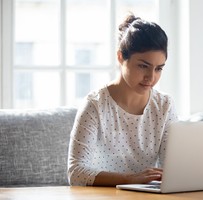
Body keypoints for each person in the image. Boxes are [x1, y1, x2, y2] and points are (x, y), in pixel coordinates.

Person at [67, 14, 178, 186]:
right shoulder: (95, 105)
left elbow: (173, 169)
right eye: (143, 66)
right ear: (120, 57)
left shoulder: (164, 106)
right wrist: (129, 179)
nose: (151, 77)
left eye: (159, 69)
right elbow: (76, 172)